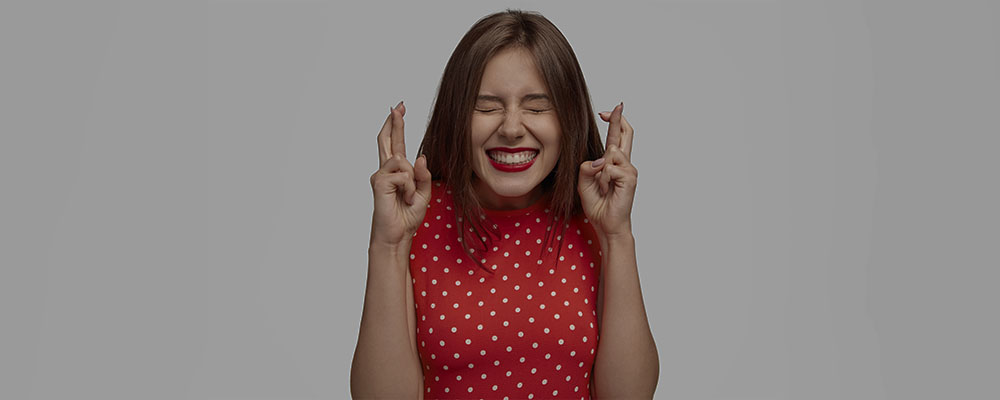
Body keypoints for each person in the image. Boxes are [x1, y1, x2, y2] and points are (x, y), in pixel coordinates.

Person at [351, 9, 658, 399]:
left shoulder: (592, 222)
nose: (512, 128)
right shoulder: (416, 222)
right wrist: (389, 245)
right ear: (457, 117)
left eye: (536, 107)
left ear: (568, 119)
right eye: (487, 107)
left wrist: (617, 236)